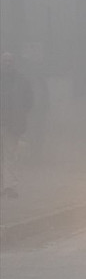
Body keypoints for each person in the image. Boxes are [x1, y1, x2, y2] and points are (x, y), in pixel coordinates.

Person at [0, 52, 32, 199]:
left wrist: (20, 118)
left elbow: (28, 102)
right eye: (5, 60)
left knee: (10, 155)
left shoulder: (21, 81)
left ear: (14, 62)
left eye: (9, 60)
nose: (7, 63)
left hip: (12, 125)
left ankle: (9, 187)